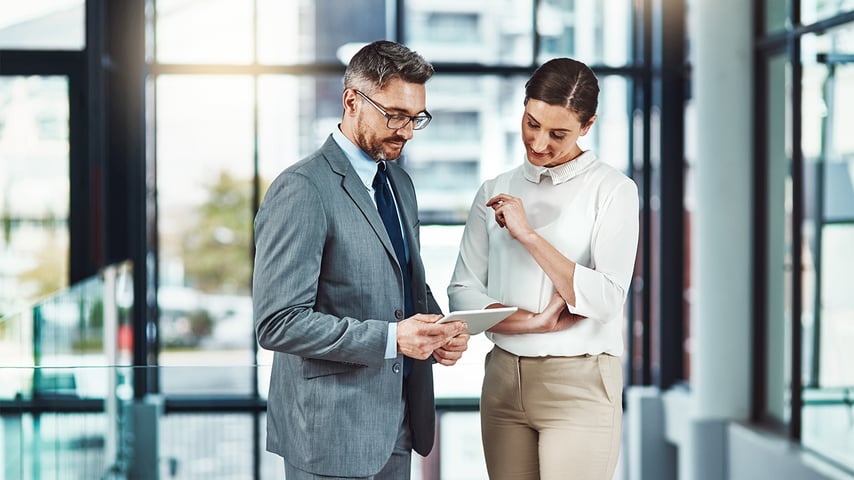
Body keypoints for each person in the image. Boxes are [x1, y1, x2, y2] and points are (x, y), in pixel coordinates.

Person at [252, 40, 470, 480]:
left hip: (398, 426)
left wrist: (436, 327)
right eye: (395, 115)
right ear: (352, 101)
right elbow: (278, 322)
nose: (406, 131)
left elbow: (406, 280)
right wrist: (393, 339)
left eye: (416, 118)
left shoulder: (400, 184)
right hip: (330, 433)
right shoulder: (302, 188)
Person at [447, 57, 639, 480]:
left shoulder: (613, 191)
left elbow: (606, 299)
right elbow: (462, 293)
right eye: (532, 122)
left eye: (558, 133)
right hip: (502, 379)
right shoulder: (494, 189)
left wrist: (529, 236)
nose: (538, 143)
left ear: (587, 126)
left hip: (580, 382)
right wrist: (536, 323)